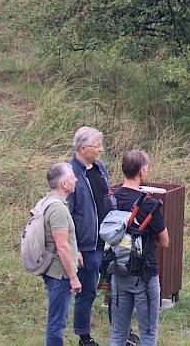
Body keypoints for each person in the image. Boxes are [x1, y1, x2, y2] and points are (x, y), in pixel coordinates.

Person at [109, 150, 169, 346]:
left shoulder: (110, 200)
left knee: (118, 333)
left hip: (118, 271)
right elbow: (165, 241)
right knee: (148, 334)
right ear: (142, 171)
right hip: (145, 274)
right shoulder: (149, 204)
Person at [68, 126, 111, 346]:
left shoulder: (100, 167)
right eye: (97, 146)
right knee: (86, 291)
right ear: (83, 148)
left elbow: (106, 197)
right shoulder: (69, 174)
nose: (101, 150)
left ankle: (122, 333)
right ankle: (84, 337)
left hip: (108, 239)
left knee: (113, 286)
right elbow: (66, 216)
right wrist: (73, 248)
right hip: (86, 244)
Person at [42, 162, 83, 346]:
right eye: (72, 176)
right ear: (64, 185)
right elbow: (62, 246)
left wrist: (77, 253)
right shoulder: (58, 208)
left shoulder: (49, 201)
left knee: (57, 321)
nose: (75, 179)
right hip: (60, 274)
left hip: (55, 270)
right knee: (57, 324)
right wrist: (73, 277)